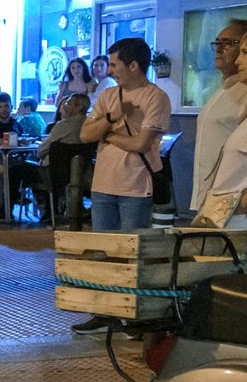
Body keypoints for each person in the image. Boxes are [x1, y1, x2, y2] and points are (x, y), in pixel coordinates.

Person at [71, 38, 171, 335]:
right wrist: (113, 118)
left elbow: (141, 143)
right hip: (103, 185)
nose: (110, 70)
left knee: (132, 253)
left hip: (136, 186)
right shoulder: (108, 96)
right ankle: (105, 314)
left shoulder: (156, 98)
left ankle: (134, 316)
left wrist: (109, 135)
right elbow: (86, 134)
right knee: (103, 251)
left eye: (114, 64)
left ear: (133, 65)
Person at [191, 20, 247, 212]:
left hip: (232, 202)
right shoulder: (220, 90)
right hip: (211, 196)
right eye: (217, 43)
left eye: (228, 43)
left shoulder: (244, 92)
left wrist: (239, 201)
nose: (219, 49)